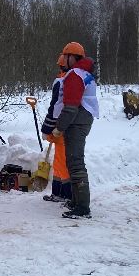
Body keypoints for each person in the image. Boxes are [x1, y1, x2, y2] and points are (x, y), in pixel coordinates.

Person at [52, 41, 100, 219]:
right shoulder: (85, 73)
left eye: (66, 56)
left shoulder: (74, 75)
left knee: (76, 162)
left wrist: (59, 127)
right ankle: (76, 200)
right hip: (82, 120)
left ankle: (82, 207)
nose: (64, 60)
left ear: (73, 57)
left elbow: (70, 107)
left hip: (76, 122)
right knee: (72, 162)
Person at [40, 54, 72, 204]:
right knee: (59, 161)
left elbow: (55, 107)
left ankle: (67, 195)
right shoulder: (77, 78)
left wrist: (47, 128)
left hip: (62, 127)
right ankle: (58, 193)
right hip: (68, 126)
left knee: (63, 162)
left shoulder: (61, 81)